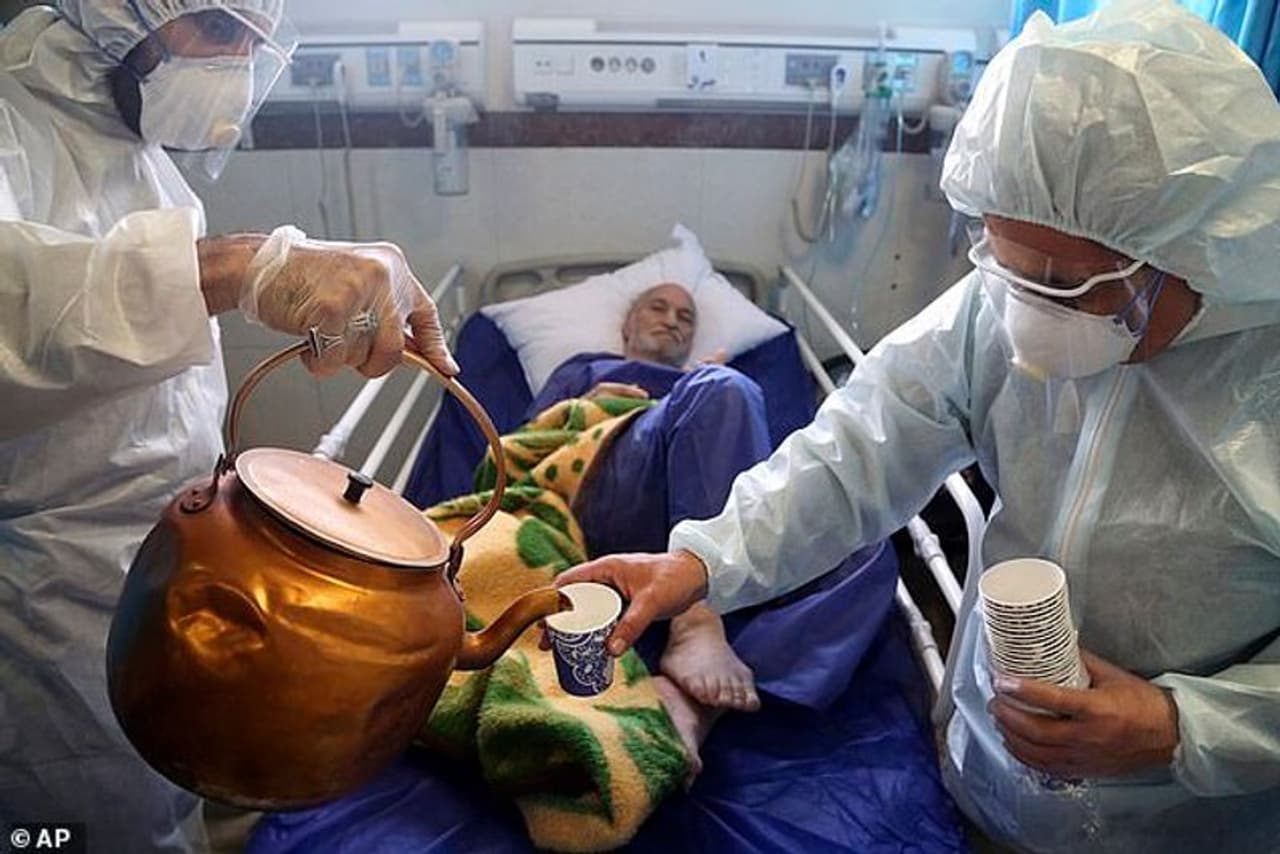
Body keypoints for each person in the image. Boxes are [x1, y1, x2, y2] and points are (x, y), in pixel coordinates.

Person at [559, 3, 1280, 852]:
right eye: (1010, 267)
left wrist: (1182, 726)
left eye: (1067, 286)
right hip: (992, 769)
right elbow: (856, 449)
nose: (1031, 319)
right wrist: (701, 563)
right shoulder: (995, 307)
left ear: (1197, 250)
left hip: (1195, 819)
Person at [0, 2, 456, 851]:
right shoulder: (12, 129)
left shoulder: (136, 152)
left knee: (164, 806)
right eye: (216, 30)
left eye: (254, 40)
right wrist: (242, 269)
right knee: (81, 823)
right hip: (45, 596)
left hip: (162, 554)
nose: (235, 69)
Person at [534, 283, 765, 773]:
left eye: (686, 316)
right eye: (658, 307)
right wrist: (587, 403)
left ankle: (688, 699)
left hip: (710, 501)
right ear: (626, 325)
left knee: (864, 555)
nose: (672, 319)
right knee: (726, 389)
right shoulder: (585, 370)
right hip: (615, 489)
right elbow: (521, 446)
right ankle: (698, 624)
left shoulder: (700, 383)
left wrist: (704, 397)